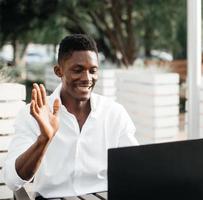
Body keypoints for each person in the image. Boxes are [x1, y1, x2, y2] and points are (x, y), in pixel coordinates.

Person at [3, 34, 138, 198]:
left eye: (93, 71)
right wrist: (44, 139)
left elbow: (134, 167)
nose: (87, 78)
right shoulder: (33, 114)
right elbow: (12, 181)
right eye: (78, 70)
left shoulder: (114, 113)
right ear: (58, 71)